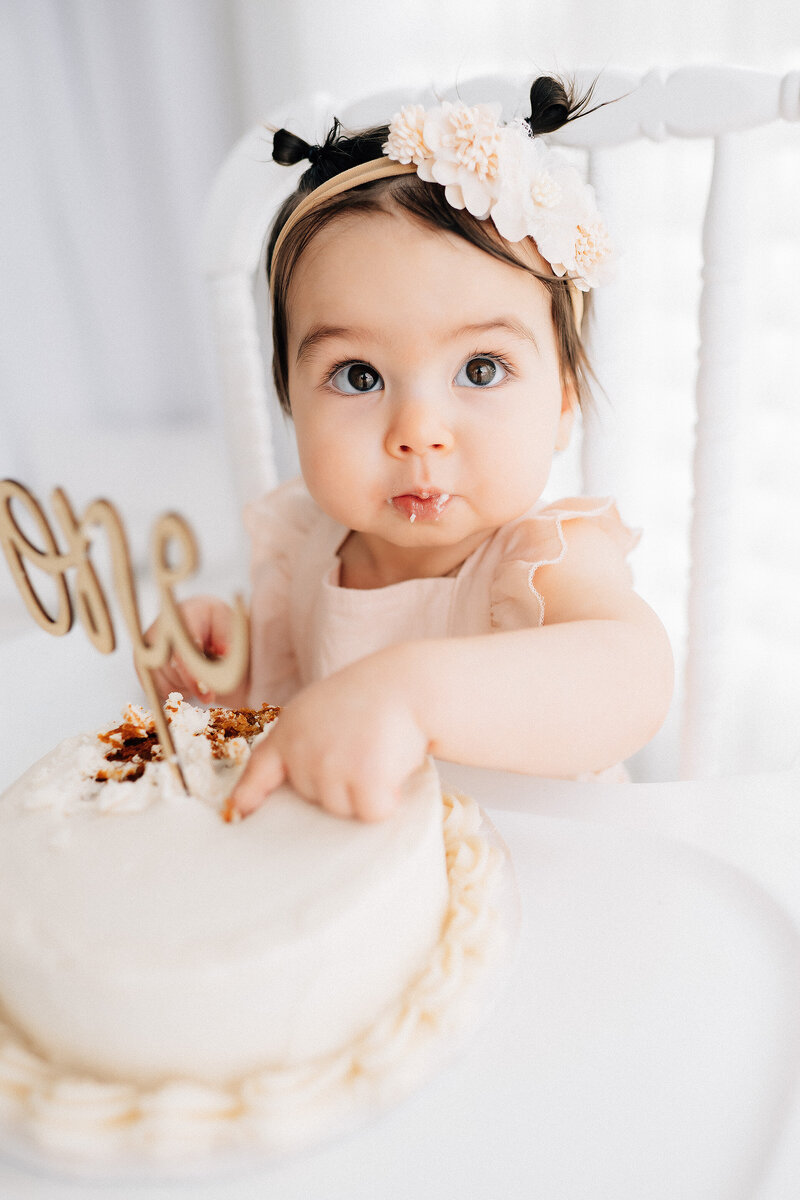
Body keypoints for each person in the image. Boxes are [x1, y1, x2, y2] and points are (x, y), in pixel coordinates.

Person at [148, 77, 674, 821]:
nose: (417, 431)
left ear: (562, 402)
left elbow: (633, 677)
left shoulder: (540, 568)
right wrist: (225, 679)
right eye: (358, 376)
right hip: (374, 896)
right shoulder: (305, 548)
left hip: (553, 887)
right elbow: (289, 719)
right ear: (290, 400)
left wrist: (410, 693)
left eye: (480, 370)